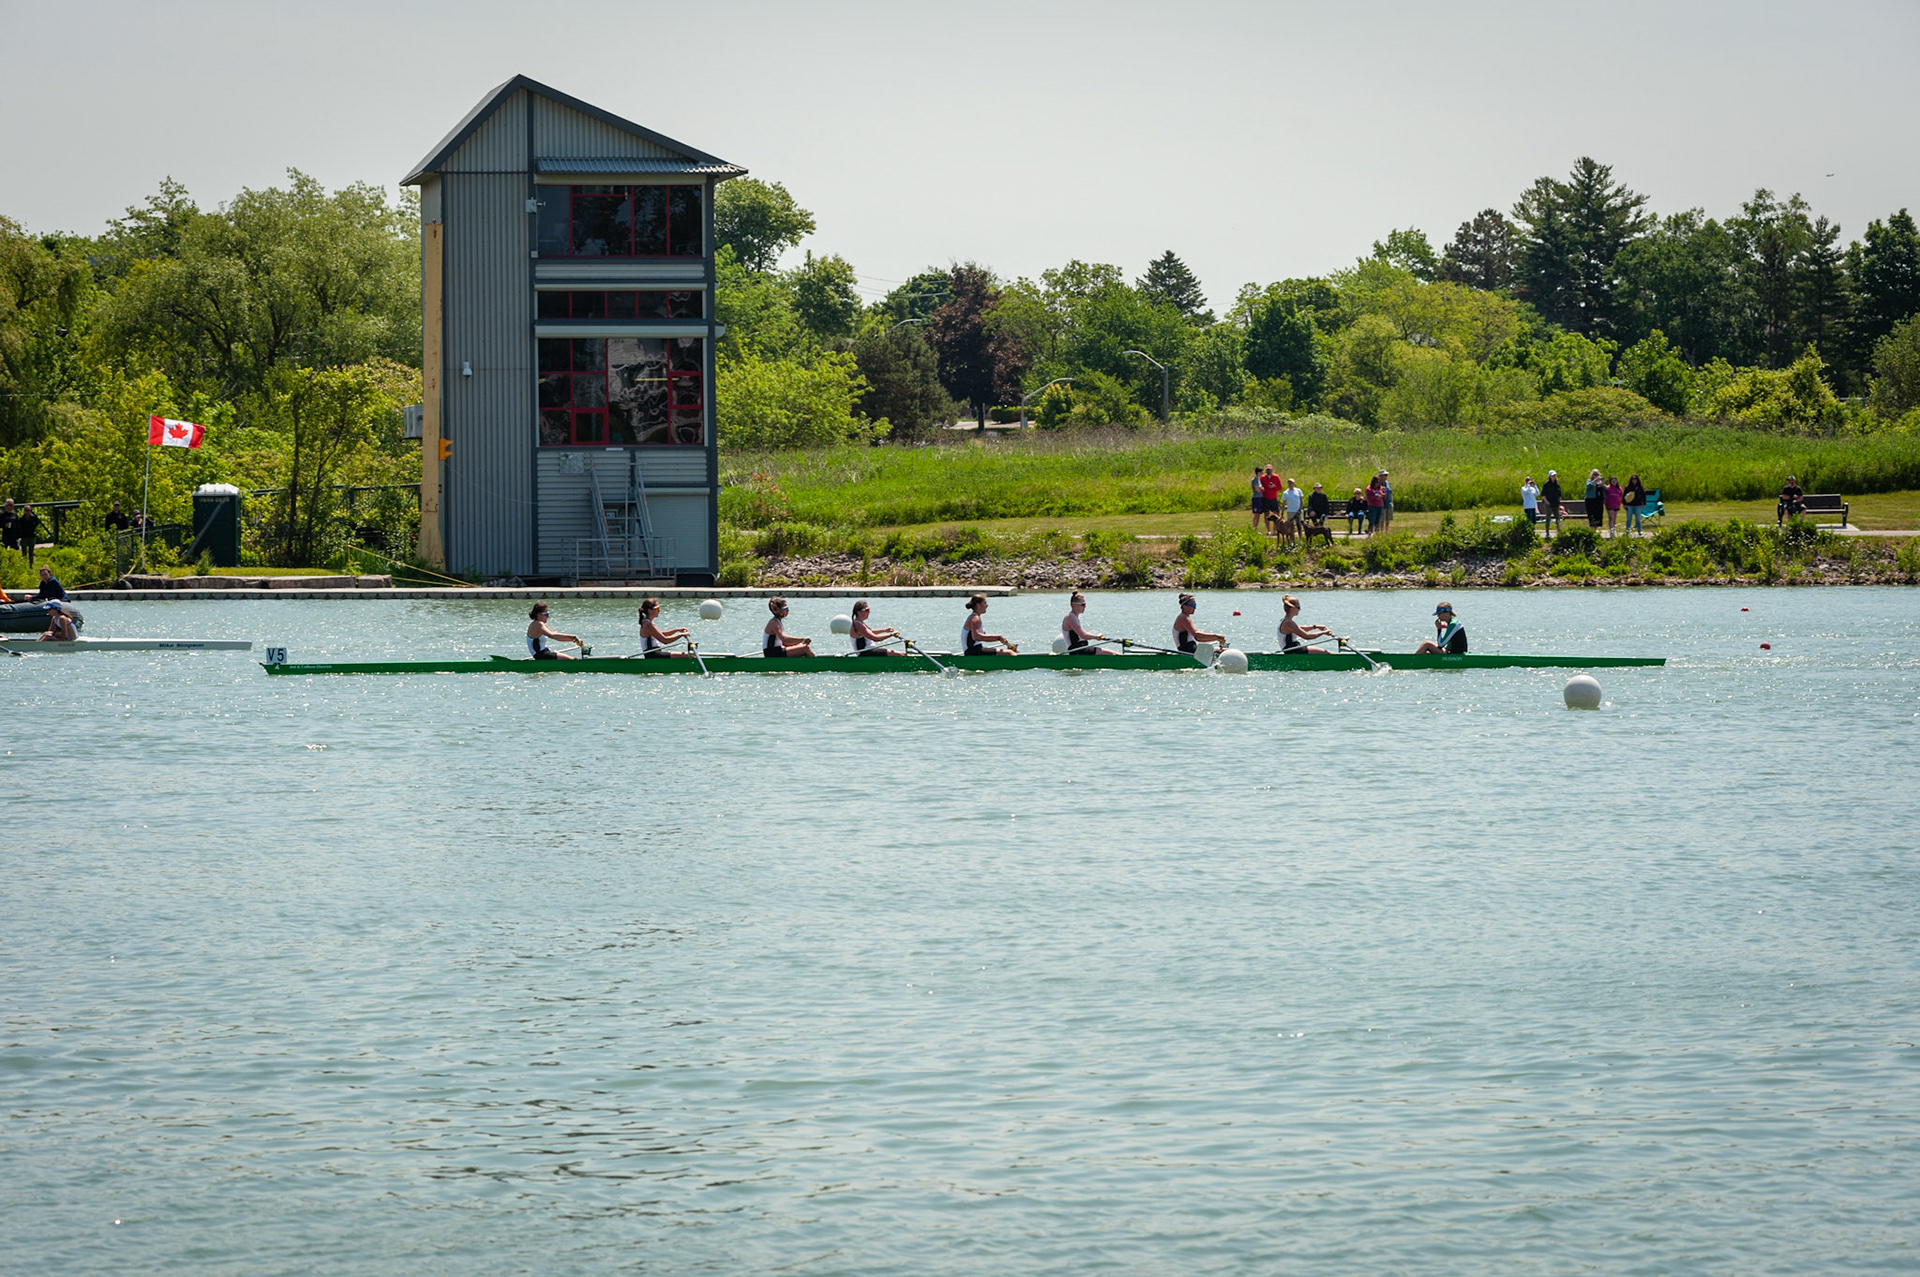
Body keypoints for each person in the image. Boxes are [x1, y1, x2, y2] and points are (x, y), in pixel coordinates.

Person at [1540, 471, 1563, 538]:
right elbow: (1543, 494)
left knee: (1557, 517)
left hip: (1555, 503)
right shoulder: (1546, 484)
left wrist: (1559, 501)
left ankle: (1559, 531)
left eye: (1555, 475)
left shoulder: (1557, 484)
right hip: (1548, 504)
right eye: (1552, 475)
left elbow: (1559, 494)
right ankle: (1547, 532)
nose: (1554, 477)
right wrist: (1547, 502)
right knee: (1548, 517)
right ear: (1549, 476)